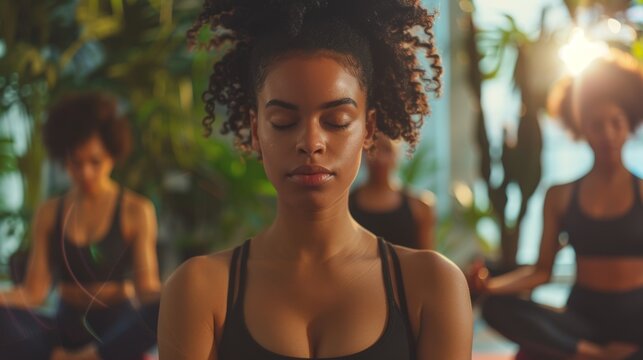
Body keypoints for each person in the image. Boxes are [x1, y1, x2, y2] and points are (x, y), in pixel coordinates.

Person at [158, 1, 472, 359]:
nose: (310, 143)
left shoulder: (431, 286)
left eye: (336, 120)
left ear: (368, 129)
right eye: (282, 122)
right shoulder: (199, 289)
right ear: (256, 130)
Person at [472, 50, 643, 360]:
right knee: (497, 308)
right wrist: (490, 288)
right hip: (582, 318)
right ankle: (594, 354)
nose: (607, 134)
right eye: (596, 125)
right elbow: (541, 272)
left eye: (615, 123)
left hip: (637, 317)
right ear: (581, 128)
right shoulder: (560, 195)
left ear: (628, 124)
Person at [0, 92, 161, 360]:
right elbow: (33, 292)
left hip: (116, 325)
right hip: (66, 323)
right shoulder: (50, 212)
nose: (85, 172)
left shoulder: (137, 209)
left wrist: (178, 293)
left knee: (162, 307)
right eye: (76, 163)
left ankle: (88, 356)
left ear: (112, 155)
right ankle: (65, 354)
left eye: (95, 162)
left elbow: (147, 290)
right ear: (65, 159)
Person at [349, 134, 437, 249]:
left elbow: (427, 260)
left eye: (386, 149)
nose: (379, 157)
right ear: (363, 152)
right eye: (373, 149)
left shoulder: (420, 206)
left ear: (397, 153)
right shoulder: (344, 205)